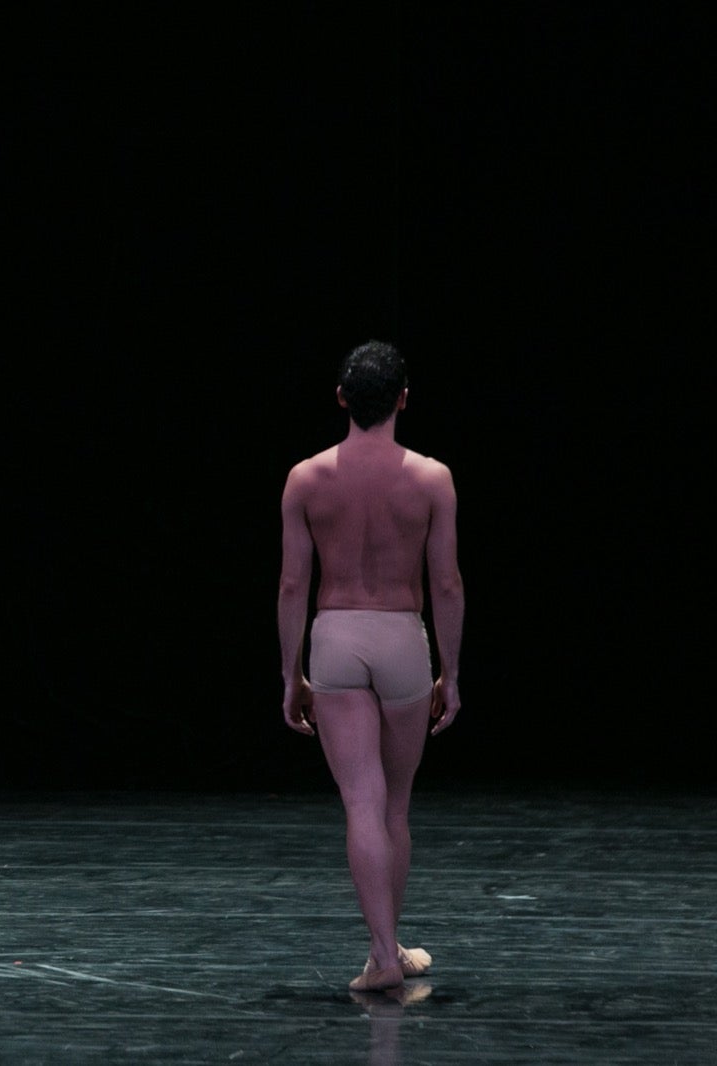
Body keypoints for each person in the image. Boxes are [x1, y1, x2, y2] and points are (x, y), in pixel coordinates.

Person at [278, 340, 464, 992]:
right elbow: (445, 585)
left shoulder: (305, 478)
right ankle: (385, 951)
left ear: (341, 399)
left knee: (362, 802)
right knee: (395, 808)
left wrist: (289, 674)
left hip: (336, 636)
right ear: (404, 398)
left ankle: (384, 953)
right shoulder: (432, 479)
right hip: (402, 642)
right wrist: (453, 673)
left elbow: (293, 585)